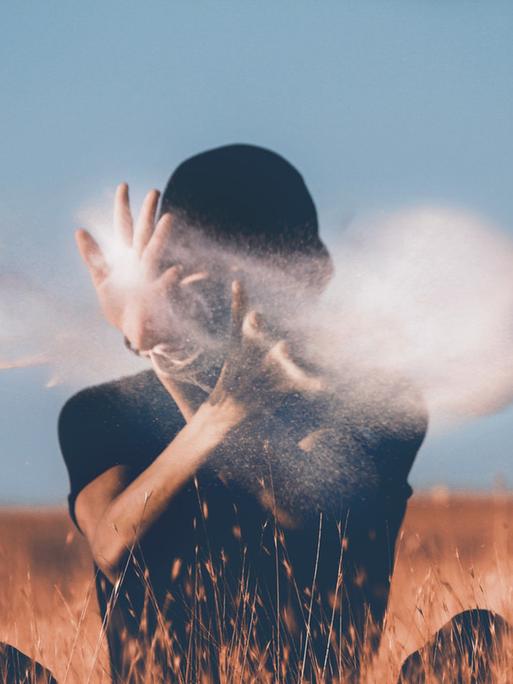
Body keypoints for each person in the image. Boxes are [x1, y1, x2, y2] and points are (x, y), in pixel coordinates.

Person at [58, 144, 427, 682]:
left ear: (312, 276)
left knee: (479, 636)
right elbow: (113, 544)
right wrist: (167, 355)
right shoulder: (102, 412)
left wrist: (209, 397)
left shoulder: (381, 407)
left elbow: (304, 519)